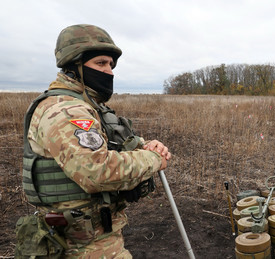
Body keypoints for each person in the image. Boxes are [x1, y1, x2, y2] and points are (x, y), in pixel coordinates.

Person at [15, 24, 171, 258]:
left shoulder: (88, 106)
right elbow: (96, 171)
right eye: (100, 63)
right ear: (74, 66)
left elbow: (114, 142)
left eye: (110, 64)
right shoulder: (65, 110)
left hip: (100, 237)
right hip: (79, 246)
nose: (109, 71)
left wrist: (145, 145)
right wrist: (153, 158)